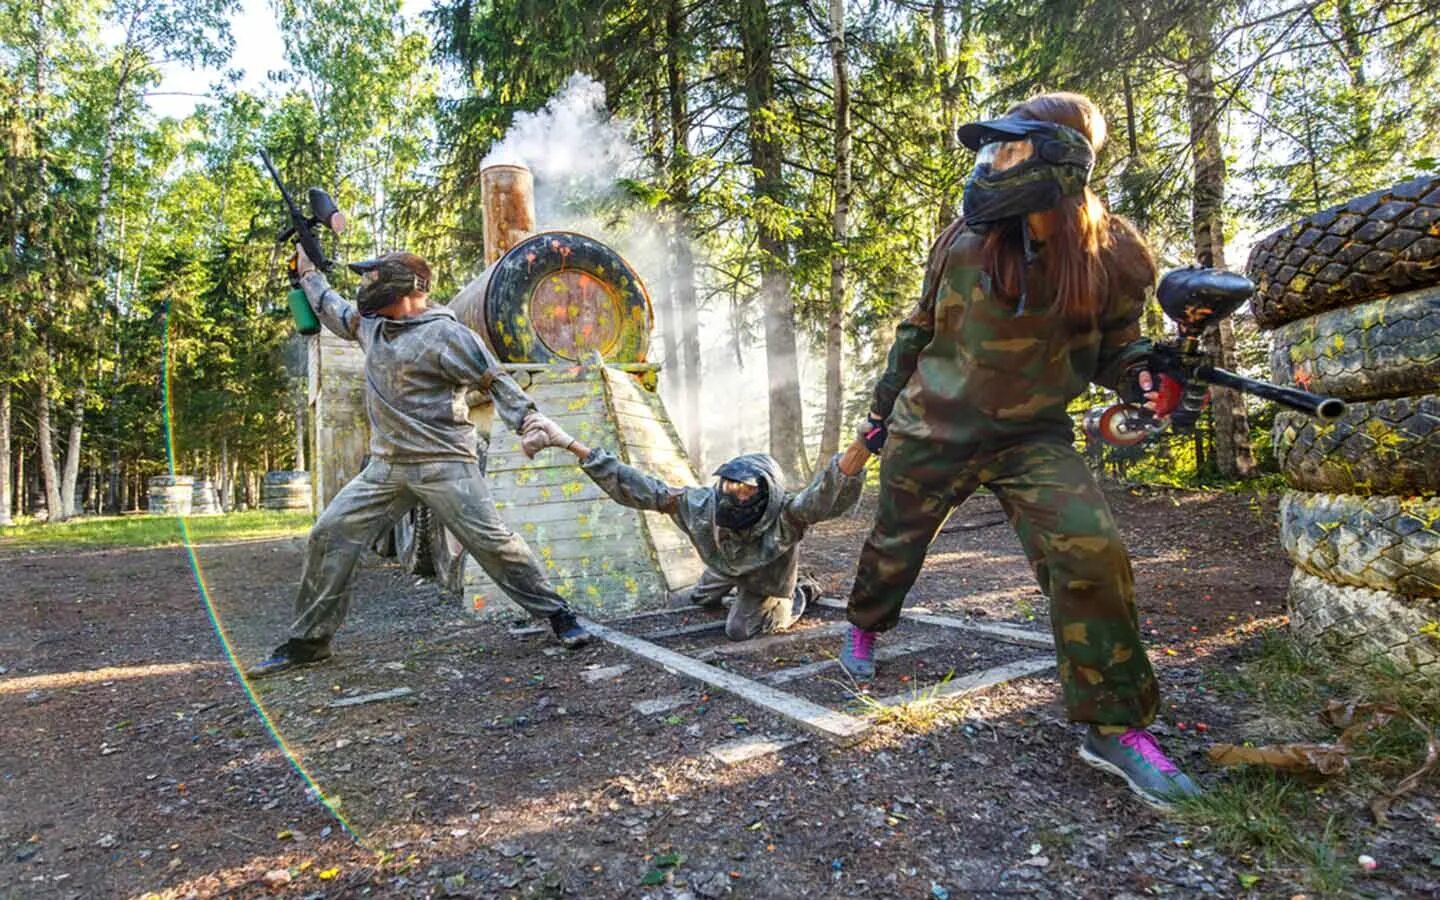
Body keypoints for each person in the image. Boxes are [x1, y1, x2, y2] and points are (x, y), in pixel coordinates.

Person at [839, 92, 1200, 809]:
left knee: (1090, 551)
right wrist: (878, 419)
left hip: (1032, 435)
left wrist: (1143, 374)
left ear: (1062, 160)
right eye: (991, 151)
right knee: (892, 546)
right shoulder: (964, 238)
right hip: (931, 427)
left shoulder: (1116, 252)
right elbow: (915, 332)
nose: (994, 164)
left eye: (1011, 149)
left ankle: (1113, 726)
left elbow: (1116, 346)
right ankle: (864, 627)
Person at [247, 247, 591, 678]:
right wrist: (308, 273)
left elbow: (495, 380)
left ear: (409, 287)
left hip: (444, 463)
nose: (366, 289)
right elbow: (330, 308)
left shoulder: (448, 336)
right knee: (329, 534)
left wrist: (529, 421)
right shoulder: (371, 325)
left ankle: (559, 615)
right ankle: (309, 641)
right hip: (385, 467)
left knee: (494, 543)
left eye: (375, 280)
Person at [519, 412, 870, 641]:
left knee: (739, 629)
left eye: (746, 489)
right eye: (731, 485)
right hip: (725, 568)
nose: (735, 494)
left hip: (766, 578)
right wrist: (567, 442)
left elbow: (828, 491)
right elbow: (641, 488)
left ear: (765, 493)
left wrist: (863, 445)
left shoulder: (787, 514)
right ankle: (734, 586)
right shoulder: (700, 505)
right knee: (695, 600)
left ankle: (801, 592)